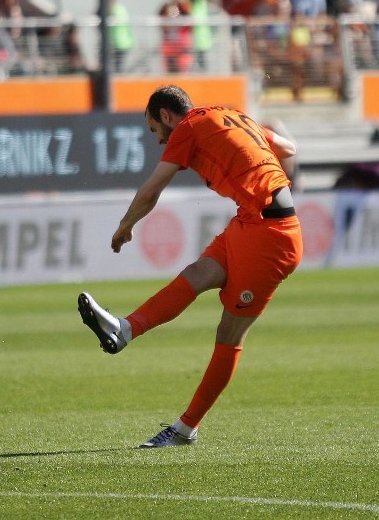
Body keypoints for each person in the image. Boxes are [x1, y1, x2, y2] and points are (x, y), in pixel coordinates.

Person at [77, 85, 302, 447]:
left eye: (155, 130)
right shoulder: (230, 115)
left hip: (270, 234)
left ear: (167, 116)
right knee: (197, 274)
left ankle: (186, 428)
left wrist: (125, 226)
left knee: (229, 334)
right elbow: (290, 149)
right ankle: (124, 329)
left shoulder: (187, 129)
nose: (159, 140)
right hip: (250, 222)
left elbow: (152, 189)